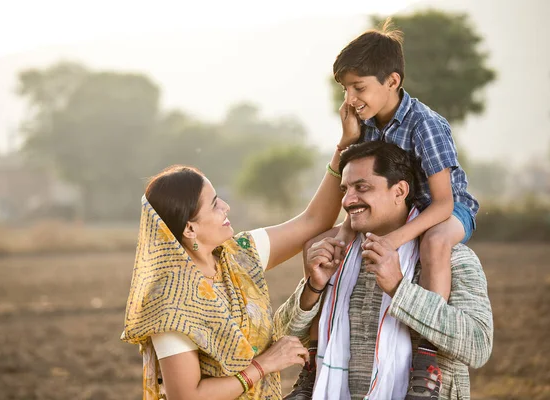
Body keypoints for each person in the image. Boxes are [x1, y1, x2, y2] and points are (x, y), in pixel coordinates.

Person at [286, 19, 480, 399]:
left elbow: (442, 202)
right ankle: (314, 363)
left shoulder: (426, 125)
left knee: (435, 243)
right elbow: (358, 182)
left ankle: (427, 355)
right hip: (395, 211)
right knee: (321, 244)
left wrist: (396, 238)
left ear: (392, 81)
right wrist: (347, 141)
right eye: (346, 89)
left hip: (446, 209)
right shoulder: (368, 125)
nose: (351, 98)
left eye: (359, 88)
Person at [120, 126, 357, 400]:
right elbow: (186, 396)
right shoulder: (169, 300)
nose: (226, 207)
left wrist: (343, 147)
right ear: (189, 229)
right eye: (214, 205)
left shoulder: (238, 254)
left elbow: (313, 221)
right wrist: (263, 365)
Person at [277, 141, 493, 400]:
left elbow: (478, 346)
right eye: (345, 189)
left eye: (362, 187)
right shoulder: (334, 254)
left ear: (399, 191)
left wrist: (398, 287)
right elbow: (283, 337)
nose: (347, 200)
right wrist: (314, 286)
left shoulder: (450, 257)